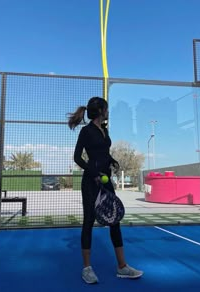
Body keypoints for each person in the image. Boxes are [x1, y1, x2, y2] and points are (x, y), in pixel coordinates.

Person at [68, 97, 143, 284]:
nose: (108, 112)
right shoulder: (86, 131)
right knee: (89, 221)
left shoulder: (104, 130)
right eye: (107, 109)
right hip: (91, 182)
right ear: (101, 110)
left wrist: (111, 160)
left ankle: (122, 267)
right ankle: (87, 269)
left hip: (106, 180)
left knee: (114, 220)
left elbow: (103, 152)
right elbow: (77, 158)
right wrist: (93, 172)